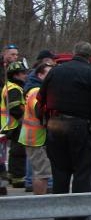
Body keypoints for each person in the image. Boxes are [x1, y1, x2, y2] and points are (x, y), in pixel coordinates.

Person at [39, 41, 91, 220]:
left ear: (74, 53)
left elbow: (41, 98)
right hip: (79, 126)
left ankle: (60, 215)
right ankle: (79, 215)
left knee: (60, 172)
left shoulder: (56, 71)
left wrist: (43, 121)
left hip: (55, 126)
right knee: (83, 171)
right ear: (90, 57)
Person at [19, 62, 53, 195]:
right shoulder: (36, 91)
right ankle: (39, 204)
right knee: (42, 174)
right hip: (35, 138)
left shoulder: (37, 88)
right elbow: (38, 111)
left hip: (35, 138)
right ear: (40, 75)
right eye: (48, 74)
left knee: (40, 172)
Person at [1, 61, 30, 187]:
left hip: (10, 124)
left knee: (15, 151)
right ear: (16, 75)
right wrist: (25, 117)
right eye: (23, 73)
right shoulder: (14, 89)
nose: (25, 75)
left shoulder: (11, 86)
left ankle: (13, 175)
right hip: (15, 124)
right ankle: (18, 178)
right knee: (19, 151)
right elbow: (14, 108)